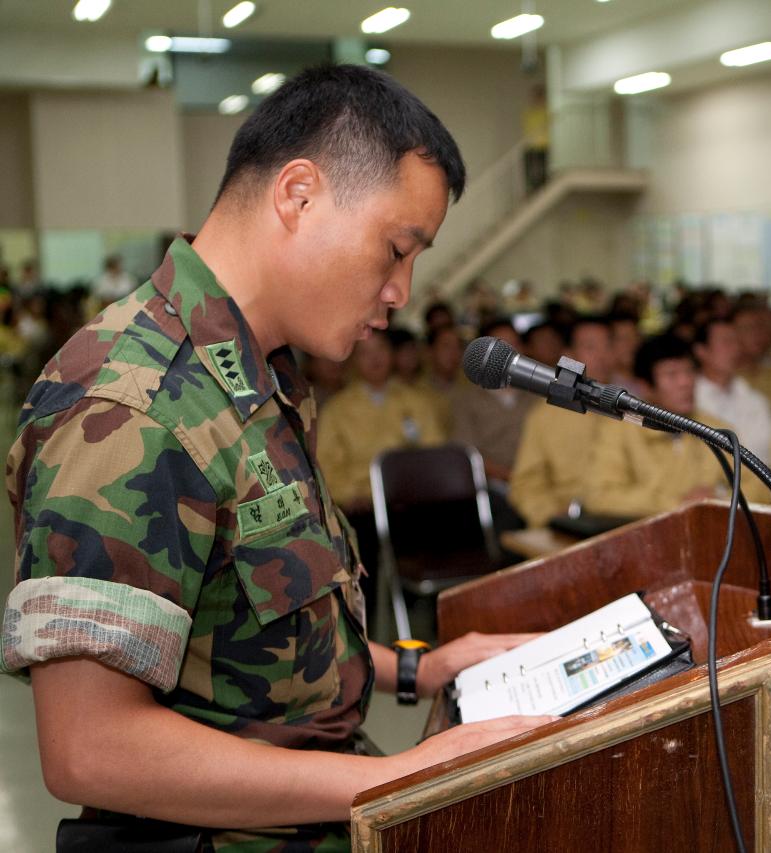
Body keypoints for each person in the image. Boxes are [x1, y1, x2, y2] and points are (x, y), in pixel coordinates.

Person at [0, 65, 549, 849]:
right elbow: (92, 749)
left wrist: (417, 668)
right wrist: (408, 777)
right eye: (397, 248)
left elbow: (257, 624)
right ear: (298, 194)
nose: (402, 290)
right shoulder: (131, 405)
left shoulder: (257, 373)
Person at [582, 334, 765, 517]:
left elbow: (757, 486)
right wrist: (677, 504)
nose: (685, 382)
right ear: (645, 386)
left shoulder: (715, 428)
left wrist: (718, 499)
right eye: (672, 375)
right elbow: (600, 496)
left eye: (689, 372)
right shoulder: (619, 431)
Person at [317, 327, 446, 579]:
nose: (375, 358)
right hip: (362, 505)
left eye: (381, 350)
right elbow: (326, 466)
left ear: (392, 354)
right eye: (365, 353)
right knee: (361, 538)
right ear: (353, 360)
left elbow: (436, 454)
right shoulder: (337, 409)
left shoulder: (418, 401)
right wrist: (350, 494)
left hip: (413, 501)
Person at [508, 317, 616, 527]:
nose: (602, 356)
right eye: (590, 347)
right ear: (570, 357)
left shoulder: (633, 407)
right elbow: (526, 485)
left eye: (608, 346)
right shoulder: (545, 416)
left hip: (627, 515)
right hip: (570, 522)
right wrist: (553, 515)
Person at [449, 318, 536, 483]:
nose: (510, 354)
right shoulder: (466, 400)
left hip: (540, 481)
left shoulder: (538, 394)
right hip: (492, 485)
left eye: (515, 344)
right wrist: (512, 478)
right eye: (501, 348)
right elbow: (468, 454)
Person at [693, 317, 771, 461]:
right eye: (726, 342)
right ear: (701, 351)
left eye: (736, 342)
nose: (735, 349)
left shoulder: (756, 399)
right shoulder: (689, 399)